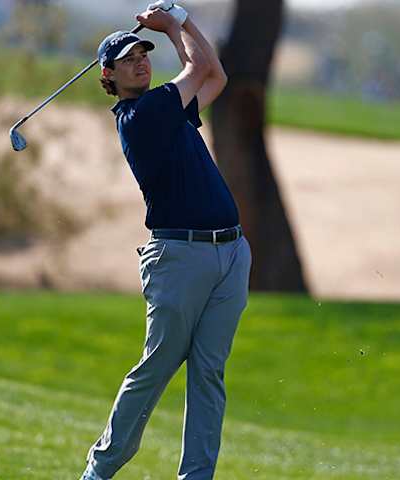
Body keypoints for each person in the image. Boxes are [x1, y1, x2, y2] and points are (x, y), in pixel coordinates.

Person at [79, 1, 252, 479]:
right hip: (180, 257)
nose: (141, 60)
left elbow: (214, 76)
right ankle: (99, 470)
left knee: (209, 375)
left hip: (231, 253)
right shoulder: (143, 114)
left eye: (144, 53)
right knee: (156, 369)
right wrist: (174, 23)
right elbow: (197, 66)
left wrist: (181, 17)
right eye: (129, 57)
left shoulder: (167, 108)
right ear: (108, 76)